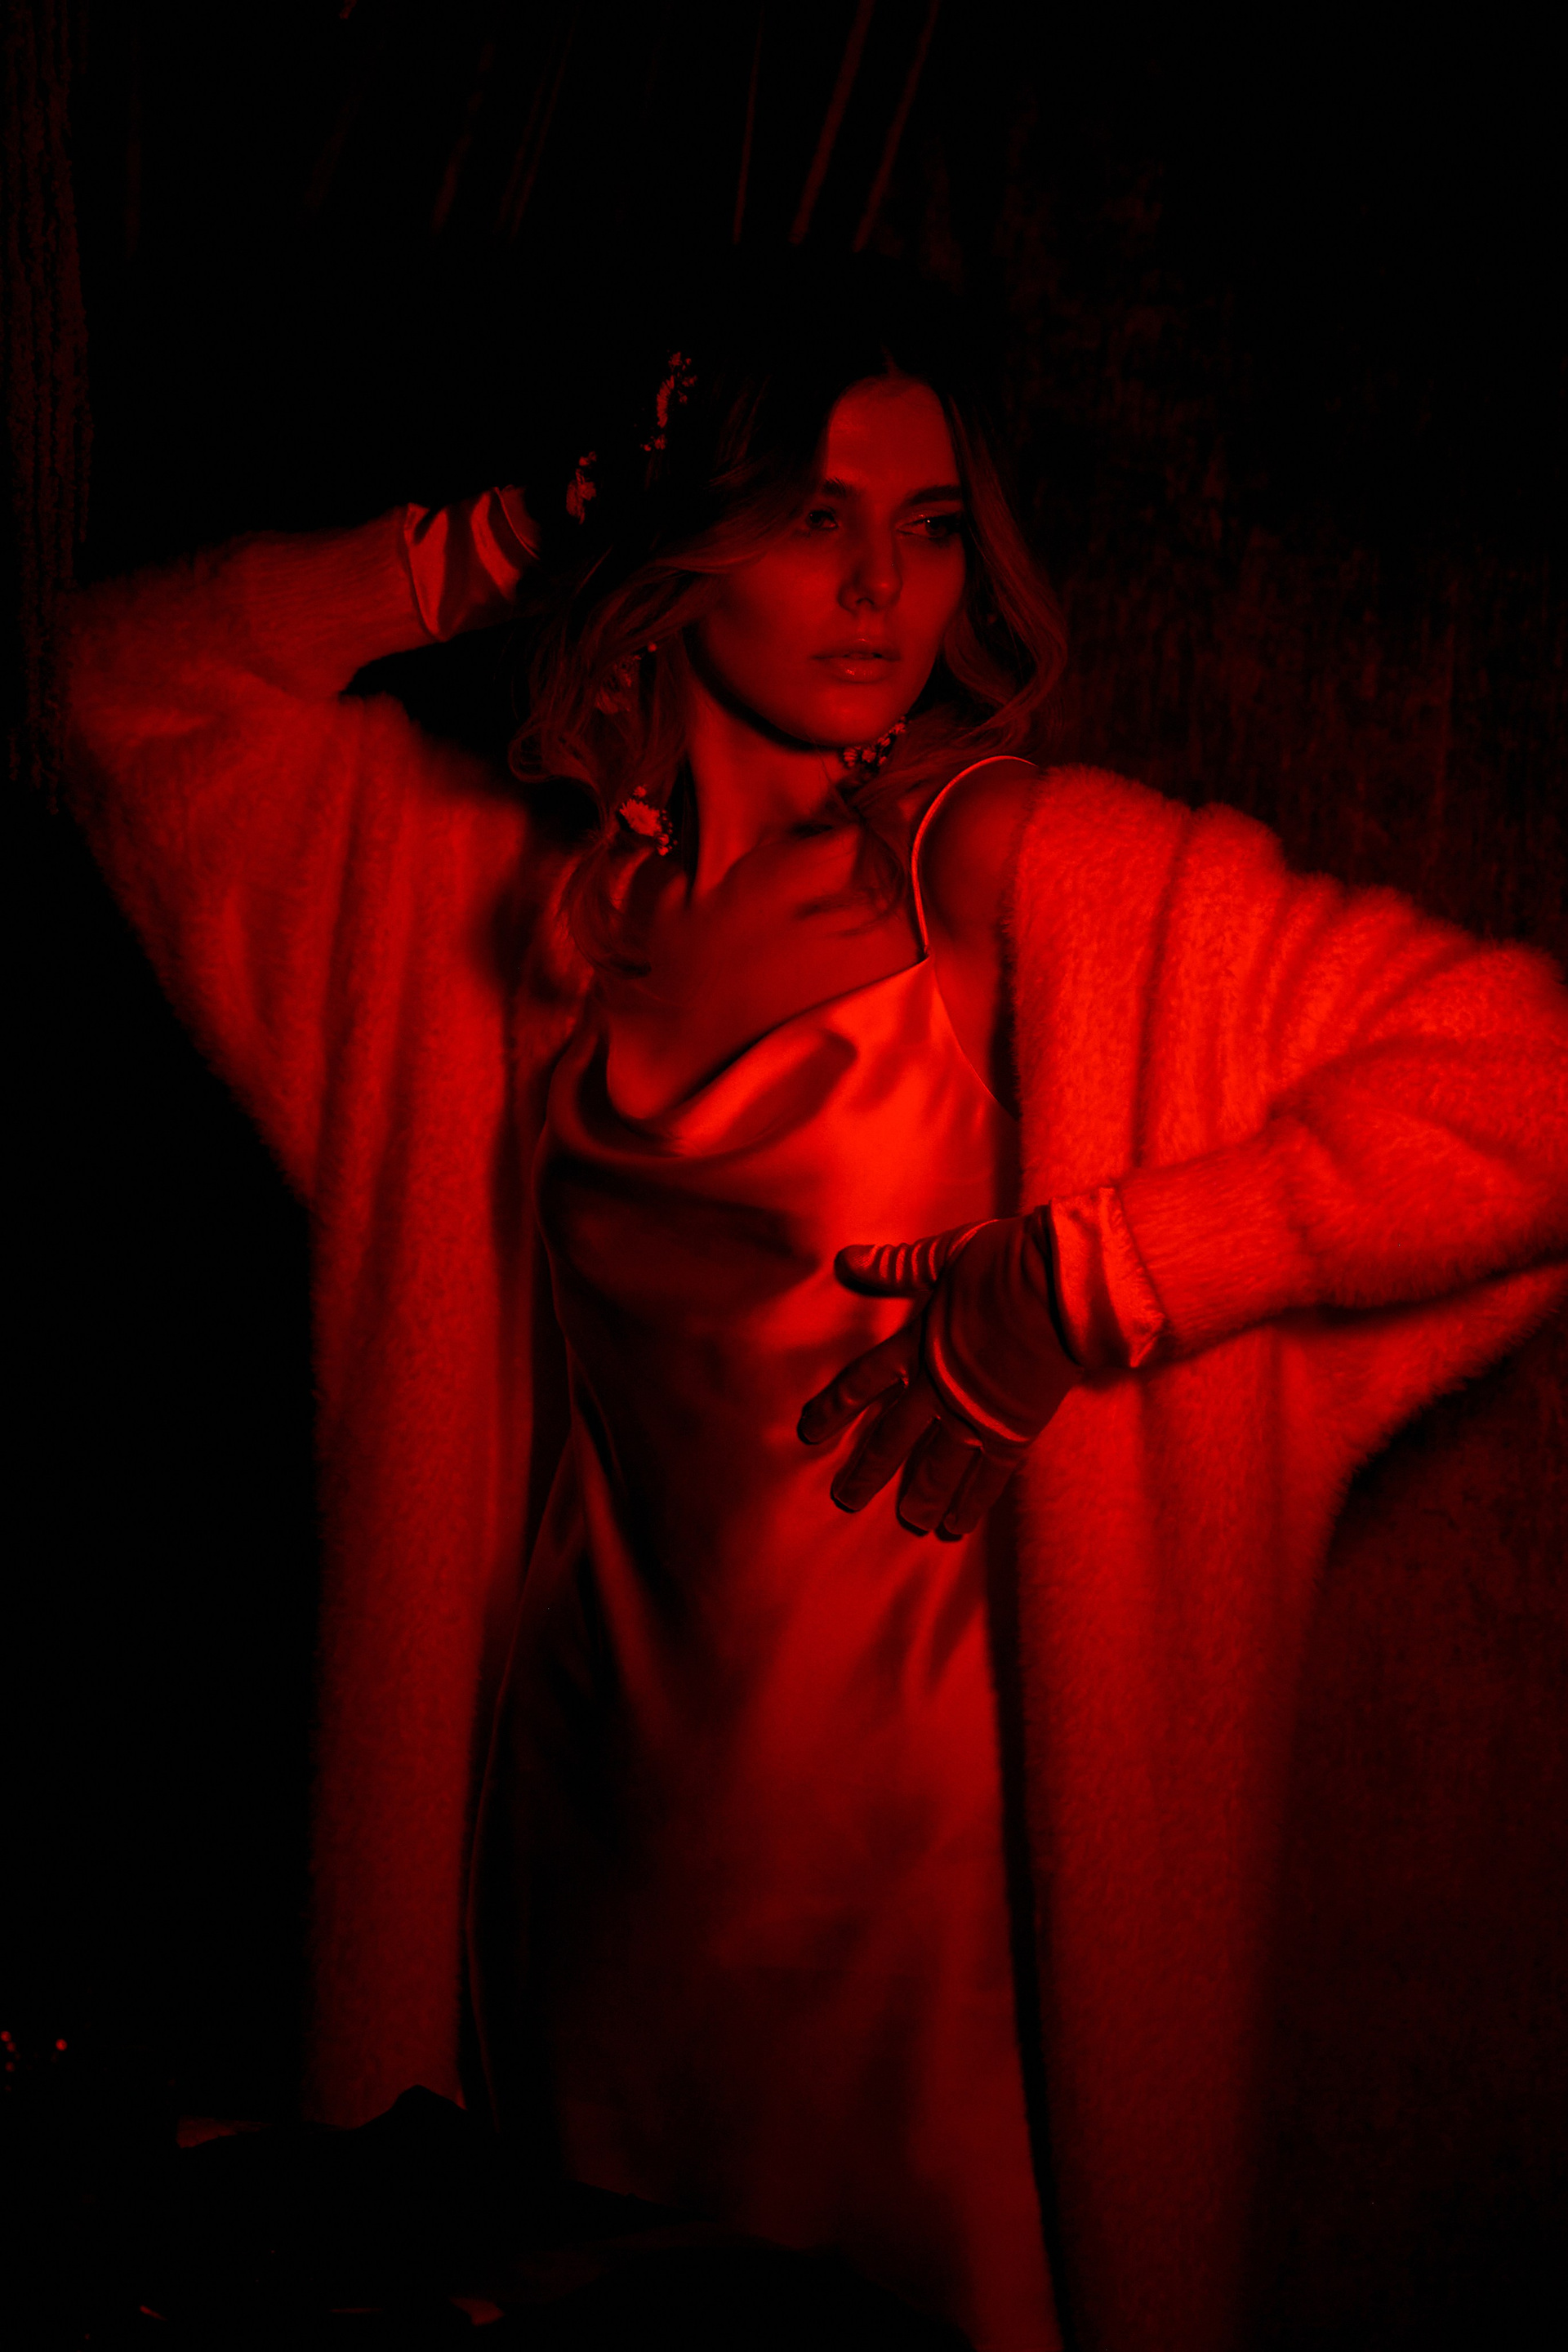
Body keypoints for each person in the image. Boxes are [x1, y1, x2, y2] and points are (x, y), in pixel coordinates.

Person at [63, 258, 1568, 2352]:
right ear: (682, 541)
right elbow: (114, 688)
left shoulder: (1005, 866)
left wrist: (1089, 1282)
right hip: (570, 1848)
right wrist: (497, 546)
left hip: (913, 1898)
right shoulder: (516, 905)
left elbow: (1529, 1077)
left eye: (930, 527)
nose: (883, 588)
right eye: (811, 516)